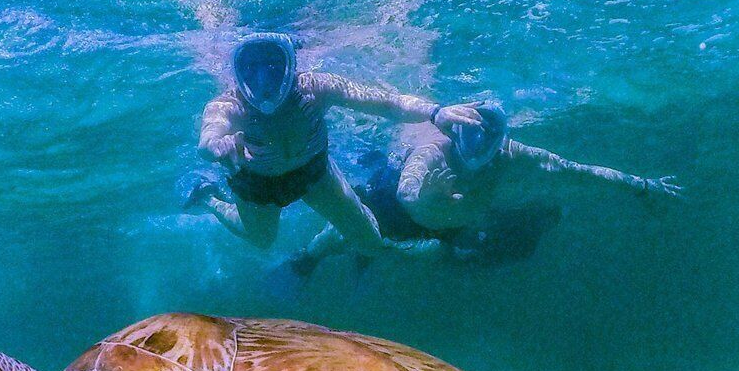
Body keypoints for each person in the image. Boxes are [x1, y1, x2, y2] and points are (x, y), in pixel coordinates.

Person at [287, 101, 683, 276]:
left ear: (499, 141)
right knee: (339, 236)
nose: (474, 148)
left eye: (485, 141)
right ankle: (305, 260)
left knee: (457, 252)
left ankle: (374, 256)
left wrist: (640, 185)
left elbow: (574, 171)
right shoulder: (435, 146)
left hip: (445, 225)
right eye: (468, 135)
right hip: (392, 205)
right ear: (456, 129)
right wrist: (437, 197)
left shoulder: (512, 154)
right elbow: (407, 193)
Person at [180, 33, 484, 255]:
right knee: (261, 240)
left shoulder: (316, 87)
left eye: (272, 67)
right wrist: (218, 146)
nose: (262, 82)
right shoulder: (229, 104)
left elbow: (385, 103)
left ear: (291, 65)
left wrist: (436, 112)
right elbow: (208, 137)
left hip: (314, 174)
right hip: (256, 183)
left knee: (369, 239)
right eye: (251, 69)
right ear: (238, 71)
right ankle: (208, 197)